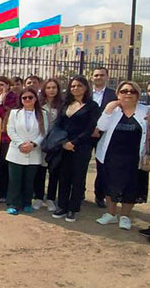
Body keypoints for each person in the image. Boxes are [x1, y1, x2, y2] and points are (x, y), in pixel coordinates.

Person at [95, 81, 148, 230]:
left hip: (134, 157)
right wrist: (108, 110)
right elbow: (101, 127)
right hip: (112, 156)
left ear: (138, 95)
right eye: (124, 91)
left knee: (131, 187)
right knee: (110, 185)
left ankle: (124, 216)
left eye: (132, 91)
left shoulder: (145, 111)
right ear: (118, 94)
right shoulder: (114, 110)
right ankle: (111, 214)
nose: (128, 94)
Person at [52, 76, 100, 222]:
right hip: (64, 146)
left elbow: (90, 128)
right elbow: (57, 124)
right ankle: (62, 206)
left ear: (85, 88)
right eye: (73, 86)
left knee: (78, 178)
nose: (75, 88)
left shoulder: (92, 106)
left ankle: (73, 208)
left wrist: (74, 143)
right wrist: (64, 142)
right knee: (64, 176)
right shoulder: (65, 104)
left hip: (82, 146)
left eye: (79, 85)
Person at [5, 87, 48, 215]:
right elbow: (10, 130)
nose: (27, 99)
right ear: (21, 100)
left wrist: (33, 144)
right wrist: (20, 144)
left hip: (34, 151)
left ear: (35, 99)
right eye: (24, 98)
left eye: (30, 97)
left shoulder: (42, 114)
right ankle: (13, 203)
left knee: (29, 180)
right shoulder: (14, 113)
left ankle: (27, 203)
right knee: (15, 180)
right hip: (16, 151)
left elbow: (44, 132)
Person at [34, 78, 63, 211]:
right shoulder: (39, 104)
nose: (51, 90)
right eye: (48, 88)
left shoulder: (62, 105)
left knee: (54, 171)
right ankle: (39, 197)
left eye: (54, 87)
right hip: (41, 141)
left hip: (56, 143)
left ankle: (50, 198)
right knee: (40, 171)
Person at [91, 67, 117, 208]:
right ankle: (79, 193)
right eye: (96, 75)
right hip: (86, 135)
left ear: (107, 77)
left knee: (102, 166)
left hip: (105, 135)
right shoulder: (85, 93)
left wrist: (99, 129)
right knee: (80, 166)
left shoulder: (114, 95)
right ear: (92, 77)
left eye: (102, 75)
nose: (99, 77)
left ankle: (99, 195)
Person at [0, 76, 19, 203]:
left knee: (3, 166)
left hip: (6, 138)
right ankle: (0, 190)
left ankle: (5, 193)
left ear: (8, 85)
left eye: (2, 85)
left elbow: (7, 116)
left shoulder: (12, 98)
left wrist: (2, 104)